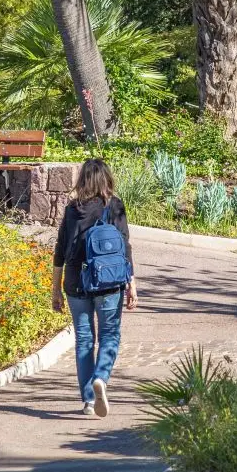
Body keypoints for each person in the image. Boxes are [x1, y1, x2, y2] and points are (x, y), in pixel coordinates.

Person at [52, 158, 138, 417]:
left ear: (82, 180)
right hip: (108, 282)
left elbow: (60, 251)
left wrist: (55, 289)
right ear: (107, 179)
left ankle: (89, 400)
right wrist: (132, 283)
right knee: (110, 334)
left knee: (84, 340)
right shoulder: (114, 206)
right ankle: (101, 377)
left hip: (76, 282)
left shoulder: (72, 209)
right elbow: (125, 248)